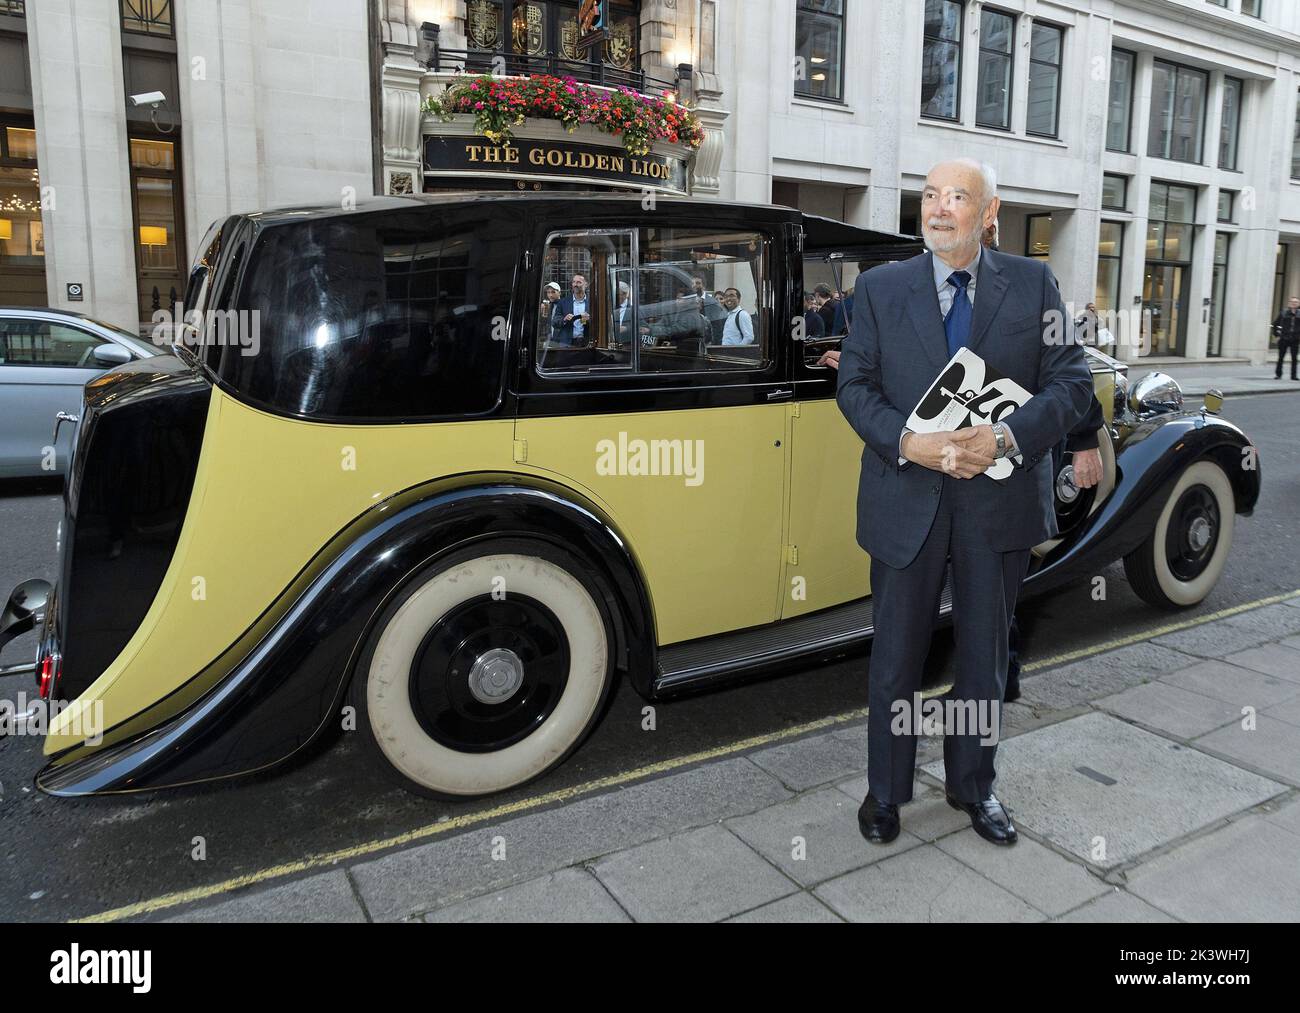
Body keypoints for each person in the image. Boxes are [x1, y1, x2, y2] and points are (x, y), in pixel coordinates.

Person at [836, 158, 1092, 847]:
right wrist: (907, 442)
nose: (939, 208)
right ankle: (885, 793)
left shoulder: (1034, 284)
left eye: (956, 198)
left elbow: (1073, 385)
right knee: (895, 659)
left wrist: (1007, 435)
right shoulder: (882, 288)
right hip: (905, 502)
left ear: (989, 212)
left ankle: (973, 787)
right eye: (928, 195)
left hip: (996, 508)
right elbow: (853, 388)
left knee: (985, 658)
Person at [551, 274, 592, 347]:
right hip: (566, 344)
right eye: (574, 282)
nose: (575, 284)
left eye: (579, 282)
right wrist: (564, 319)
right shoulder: (563, 302)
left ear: (586, 284)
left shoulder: (592, 303)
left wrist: (589, 320)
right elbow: (555, 322)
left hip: (586, 344)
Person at [1273, 297, 1300, 381]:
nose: (1294, 303)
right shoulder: (1284, 313)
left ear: (1298, 304)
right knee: (1281, 357)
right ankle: (1278, 375)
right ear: (1289, 303)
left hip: (1295, 339)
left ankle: (1294, 376)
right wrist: (1276, 334)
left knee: (1294, 358)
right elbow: (1275, 324)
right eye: (1292, 302)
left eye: (1296, 302)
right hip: (1284, 338)